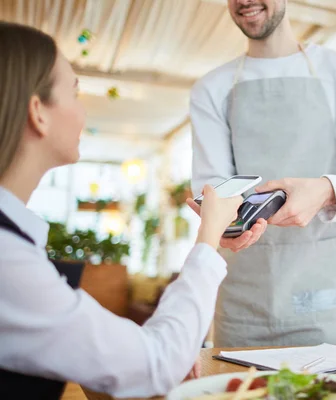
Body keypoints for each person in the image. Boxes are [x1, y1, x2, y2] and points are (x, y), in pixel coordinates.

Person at [0, 22, 243, 399]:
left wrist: (161, 346)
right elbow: (156, 364)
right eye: (75, 92)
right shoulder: (7, 258)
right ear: (38, 112)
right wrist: (209, 236)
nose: (83, 112)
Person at [189, 0, 336, 347]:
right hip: (241, 305)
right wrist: (219, 225)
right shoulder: (210, 89)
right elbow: (213, 186)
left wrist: (325, 190)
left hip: (322, 299)